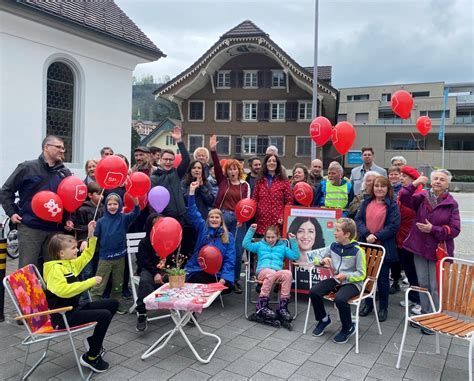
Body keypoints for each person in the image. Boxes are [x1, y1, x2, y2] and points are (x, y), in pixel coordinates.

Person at [44, 221, 118, 373]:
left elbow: (88, 255)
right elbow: (63, 291)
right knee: (104, 315)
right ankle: (91, 357)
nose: (77, 250)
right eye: (73, 248)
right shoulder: (54, 270)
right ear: (61, 253)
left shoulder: (70, 263)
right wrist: (89, 282)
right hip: (62, 316)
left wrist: (91, 234)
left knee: (113, 304)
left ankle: (93, 342)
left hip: (74, 308)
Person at [398, 169, 460, 334]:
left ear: (447, 184)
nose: (438, 181)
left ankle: (434, 318)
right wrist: (415, 184)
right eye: (436, 179)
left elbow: (455, 229)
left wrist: (433, 229)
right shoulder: (423, 196)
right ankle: (426, 315)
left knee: (435, 286)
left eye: (442, 180)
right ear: (431, 181)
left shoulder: (451, 203)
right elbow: (404, 199)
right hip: (419, 247)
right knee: (423, 284)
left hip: (437, 251)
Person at [0, 135, 73, 270]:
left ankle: (49, 292)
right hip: (30, 227)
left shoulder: (65, 173)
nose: (62, 151)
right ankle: (28, 293)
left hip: (55, 230)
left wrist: (68, 218)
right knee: (28, 269)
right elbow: (5, 191)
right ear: (46, 147)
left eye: (63, 148)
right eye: (58, 147)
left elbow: (68, 199)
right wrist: (11, 213)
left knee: (54, 270)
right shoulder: (27, 167)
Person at [307, 218, 366, 343]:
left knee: (340, 299)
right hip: (337, 280)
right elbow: (316, 257)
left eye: (337, 230)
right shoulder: (333, 246)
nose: (334, 233)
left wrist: (346, 276)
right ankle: (323, 319)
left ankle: (347, 328)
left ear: (347, 234)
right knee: (314, 291)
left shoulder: (358, 251)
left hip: (353, 283)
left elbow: (362, 274)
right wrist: (322, 261)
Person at [356, 176, 400, 322]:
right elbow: (359, 220)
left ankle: (383, 308)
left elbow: (394, 225)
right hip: (366, 246)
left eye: (382, 186)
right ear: (372, 188)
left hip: (382, 247)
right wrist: (367, 234)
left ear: (388, 188)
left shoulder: (392, 205)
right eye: (376, 186)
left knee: (382, 279)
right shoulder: (366, 202)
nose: (379, 189)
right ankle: (368, 304)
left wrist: (376, 236)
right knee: (368, 277)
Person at [209, 135, 250, 293]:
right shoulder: (223, 181)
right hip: (223, 217)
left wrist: (243, 218)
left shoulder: (245, 185)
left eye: (235, 168)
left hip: (239, 220)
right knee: (221, 248)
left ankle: (234, 280)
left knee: (238, 250)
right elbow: (217, 167)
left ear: (239, 170)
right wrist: (213, 149)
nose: (232, 171)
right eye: (230, 168)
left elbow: (248, 204)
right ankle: (220, 278)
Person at [90, 193, 140, 314]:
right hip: (105, 258)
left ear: (120, 205)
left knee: (118, 283)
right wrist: (90, 231)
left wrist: (136, 202)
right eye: (110, 204)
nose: (112, 206)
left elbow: (136, 213)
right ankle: (95, 305)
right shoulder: (101, 222)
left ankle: (117, 303)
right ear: (106, 206)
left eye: (115, 204)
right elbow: (93, 238)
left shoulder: (123, 218)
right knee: (99, 283)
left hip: (120, 258)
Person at [243, 224, 299, 326]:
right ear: (265, 237)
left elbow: (295, 255)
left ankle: (282, 307)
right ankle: (261, 306)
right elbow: (246, 244)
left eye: (272, 237)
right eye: (268, 237)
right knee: (271, 273)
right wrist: (251, 230)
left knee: (288, 273)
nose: (270, 239)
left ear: (277, 237)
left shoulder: (282, 247)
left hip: (276, 272)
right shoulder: (260, 245)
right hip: (263, 272)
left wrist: (293, 241)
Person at [185, 181, 235, 292]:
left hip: (217, 271)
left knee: (228, 286)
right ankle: (208, 289)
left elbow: (229, 259)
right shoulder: (203, 228)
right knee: (198, 278)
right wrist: (192, 192)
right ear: (208, 219)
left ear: (221, 220)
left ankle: (209, 288)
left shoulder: (229, 236)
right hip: (199, 268)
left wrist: (224, 278)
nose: (214, 219)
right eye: (212, 217)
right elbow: (193, 212)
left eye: (217, 217)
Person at [134, 213, 176, 331]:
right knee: (145, 281)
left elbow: (172, 259)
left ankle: (184, 308)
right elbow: (143, 262)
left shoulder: (168, 240)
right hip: (148, 269)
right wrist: (155, 273)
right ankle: (142, 313)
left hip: (164, 269)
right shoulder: (144, 242)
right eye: (155, 224)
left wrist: (168, 266)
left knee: (179, 278)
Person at [395, 166, 422, 315]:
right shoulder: (403, 192)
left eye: (404, 176)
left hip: (412, 239)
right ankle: (413, 296)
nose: (401, 178)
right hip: (402, 237)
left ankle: (419, 300)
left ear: (413, 179)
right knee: (409, 271)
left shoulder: (419, 194)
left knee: (416, 272)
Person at [252, 154, 293, 236]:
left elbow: (289, 201)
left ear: (277, 164)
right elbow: (255, 199)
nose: (272, 163)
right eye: (269, 161)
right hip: (262, 221)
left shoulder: (284, 181)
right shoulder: (260, 181)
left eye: (274, 161)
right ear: (265, 164)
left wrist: (283, 216)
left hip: (277, 222)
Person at [73, 182, 104, 283]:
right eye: (99, 194)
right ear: (90, 195)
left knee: (97, 269)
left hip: (99, 245)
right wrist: (89, 228)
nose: (102, 196)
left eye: (103, 194)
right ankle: (85, 296)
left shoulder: (104, 208)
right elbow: (77, 227)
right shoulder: (83, 209)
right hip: (86, 244)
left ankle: (94, 293)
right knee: (87, 271)